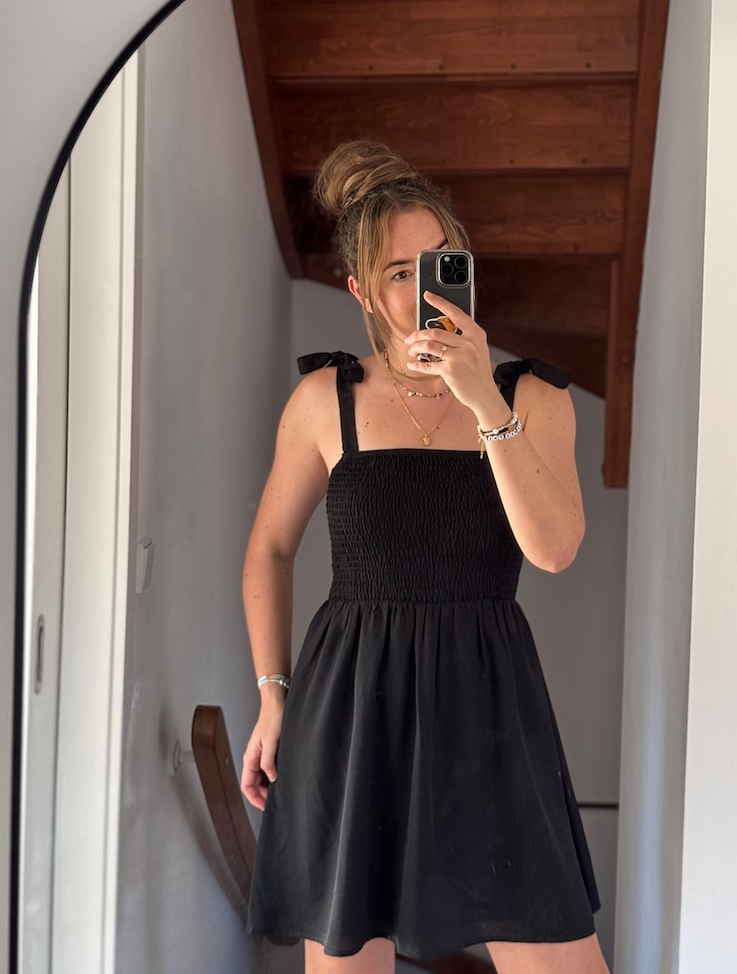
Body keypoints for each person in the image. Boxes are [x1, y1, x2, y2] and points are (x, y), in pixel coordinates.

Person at [241, 140, 610, 974]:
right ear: (361, 291)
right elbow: (269, 547)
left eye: (441, 262)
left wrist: (482, 401)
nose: (423, 289)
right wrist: (272, 694)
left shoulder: (532, 398)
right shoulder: (325, 401)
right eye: (399, 272)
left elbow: (554, 550)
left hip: (491, 708)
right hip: (351, 710)